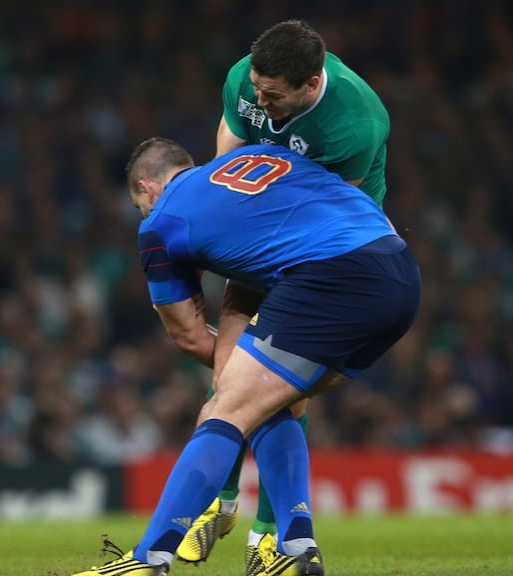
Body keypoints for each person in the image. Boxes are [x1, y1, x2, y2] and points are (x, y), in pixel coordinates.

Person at [70, 138, 419, 576]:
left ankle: (149, 559)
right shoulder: (255, 156)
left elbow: (190, 336)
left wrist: (236, 365)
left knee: (226, 405)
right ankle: (295, 548)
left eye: (141, 205)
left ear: (149, 189)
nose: (145, 214)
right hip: (399, 275)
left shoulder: (161, 221)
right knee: (271, 398)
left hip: (332, 278)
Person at [176, 19, 392, 572]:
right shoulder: (245, 83)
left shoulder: (355, 123)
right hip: (263, 228)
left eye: (275, 98)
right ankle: (221, 507)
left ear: (311, 84)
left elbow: (326, 215)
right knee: (229, 370)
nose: (262, 102)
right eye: (257, 90)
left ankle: (267, 534)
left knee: (282, 391)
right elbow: (229, 154)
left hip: (331, 249)